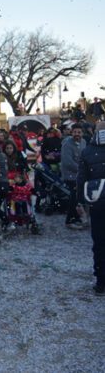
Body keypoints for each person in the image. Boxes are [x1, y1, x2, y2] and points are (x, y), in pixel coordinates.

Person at [77, 121, 105, 295]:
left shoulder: (87, 152)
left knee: (100, 242)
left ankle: (101, 280)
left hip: (97, 203)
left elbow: (82, 179)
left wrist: (81, 201)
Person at [62, 123, 87, 230]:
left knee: (79, 197)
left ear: (82, 133)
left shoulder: (84, 142)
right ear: (72, 133)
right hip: (70, 175)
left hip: (81, 174)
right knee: (74, 196)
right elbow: (68, 162)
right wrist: (82, 169)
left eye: (79, 132)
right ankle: (70, 220)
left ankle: (77, 217)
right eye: (75, 132)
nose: (77, 134)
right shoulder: (67, 144)